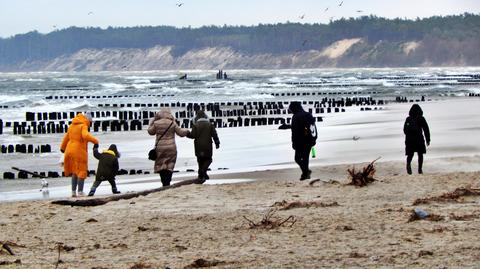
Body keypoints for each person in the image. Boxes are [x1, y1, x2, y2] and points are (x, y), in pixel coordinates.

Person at [148, 108, 189, 186]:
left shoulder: (156, 123)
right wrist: (187, 131)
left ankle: (164, 182)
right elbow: (180, 133)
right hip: (171, 148)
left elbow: (150, 132)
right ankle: (168, 181)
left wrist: (152, 121)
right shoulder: (172, 123)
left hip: (160, 148)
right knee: (170, 164)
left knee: (161, 165)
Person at [60, 112, 99, 197]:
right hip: (79, 151)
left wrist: (62, 148)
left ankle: (73, 192)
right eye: (90, 122)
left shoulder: (72, 125)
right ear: (88, 120)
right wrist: (96, 141)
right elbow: (85, 136)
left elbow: (66, 137)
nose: (90, 124)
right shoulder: (83, 126)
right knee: (82, 171)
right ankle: (80, 191)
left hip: (69, 150)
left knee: (74, 171)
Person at [187, 110, 220, 183]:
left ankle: (201, 175)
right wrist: (217, 143)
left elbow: (193, 136)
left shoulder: (195, 125)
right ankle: (203, 172)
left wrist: (187, 133)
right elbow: (214, 134)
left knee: (200, 160)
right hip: (207, 145)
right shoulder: (210, 125)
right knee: (208, 159)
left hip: (198, 146)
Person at [289, 102, 317, 181]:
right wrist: (314, 139)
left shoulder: (295, 117)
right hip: (310, 139)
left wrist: (294, 143)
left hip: (301, 141)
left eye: (290, 108)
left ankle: (306, 172)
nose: (290, 110)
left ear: (294, 108)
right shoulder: (308, 114)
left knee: (297, 158)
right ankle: (305, 175)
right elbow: (312, 127)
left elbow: (295, 132)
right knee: (305, 158)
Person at [404, 104, 430, 174]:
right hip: (419, 139)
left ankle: (408, 164)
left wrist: (409, 137)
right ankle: (420, 169)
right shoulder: (421, 118)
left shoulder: (408, 119)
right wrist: (428, 139)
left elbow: (404, 130)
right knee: (420, 154)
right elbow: (426, 129)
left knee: (410, 154)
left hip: (410, 140)